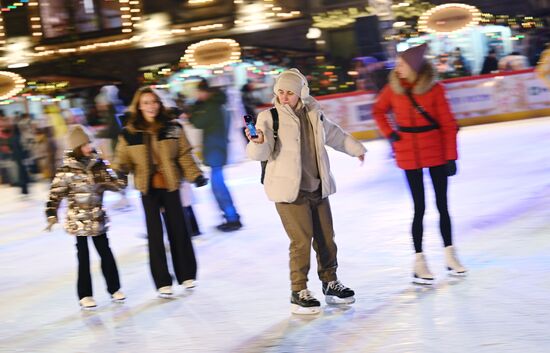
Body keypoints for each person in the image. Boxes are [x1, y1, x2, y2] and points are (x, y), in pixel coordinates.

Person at [245, 69, 366, 314]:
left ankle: (330, 283)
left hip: (317, 187)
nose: (284, 97)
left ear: (301, 93)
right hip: (289, 191)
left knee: (326, 239)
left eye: (290, 92)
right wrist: (256, 143)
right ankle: (298, 290)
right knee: (301, 241)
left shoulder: (314, 114)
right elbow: (261, 153)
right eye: (280, 92)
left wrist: (356, 149)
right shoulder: (269, 118)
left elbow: (335, 135)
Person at [372, 43, 467, 285]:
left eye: (402, 63)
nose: (398, 67)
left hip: (435, 152)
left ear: (414, 67)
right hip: (408, 154)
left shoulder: (434, 90)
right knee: (419, 208)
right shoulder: (393, 88)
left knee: (442, 206)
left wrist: (451, 157)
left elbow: (448, 125)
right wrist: (391, 134)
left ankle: (450, 254)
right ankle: (419, 260)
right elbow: (378, 111)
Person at [112, 87, 208, 298]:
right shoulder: (130, 132)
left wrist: (195, 175)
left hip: (170, 184)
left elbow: (184, 154)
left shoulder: (172, 127)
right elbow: (122, 159)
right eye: (146, 102)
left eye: (153, 101)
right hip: (148, 188)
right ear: (139, 106)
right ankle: (163, 281)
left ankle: (186, 274)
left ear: (159, 103)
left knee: (179, 230)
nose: (151, 106)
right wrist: (119, 174)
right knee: (155, 235)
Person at [45, 125, 126, 309]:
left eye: (90, 142)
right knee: (83, 256)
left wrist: (119, 170)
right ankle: (85, 294)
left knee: (105, 252)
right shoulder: (66, 170)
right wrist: (51, 212)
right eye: (85, 144)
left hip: (97, 218)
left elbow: (116, 185)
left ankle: (114, 288)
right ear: (76, 147)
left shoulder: (98, 165)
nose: (90, 146)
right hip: (78, 220)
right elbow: (55, 193)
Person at [189, 79, 242, 232]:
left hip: (215, 150)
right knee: (218, 187)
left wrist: (195, 107)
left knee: (219, 188)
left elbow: (197, 122)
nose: (197, 95)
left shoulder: (211, 106)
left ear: (206, 92)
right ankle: (230, 217)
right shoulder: (217, 104)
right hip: (217, 149)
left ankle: (232, 218)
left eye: (199, 92)